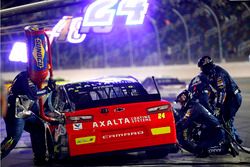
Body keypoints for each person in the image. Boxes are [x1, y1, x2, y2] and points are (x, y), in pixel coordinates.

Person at [0, 70, 55, 165]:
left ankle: (40, 158)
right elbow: (33, 94)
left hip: (23, 110)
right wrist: (47, 89)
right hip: (15, 112)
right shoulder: (24, 77)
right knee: (12, 139)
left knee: (38, 127)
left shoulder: (33, 79)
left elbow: (32, 102)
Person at [197, 56, 242, 144]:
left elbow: (222, 92)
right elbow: (214, 91)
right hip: (229, 98)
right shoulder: (211, 73)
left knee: (226, 118)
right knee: (224, 117)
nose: (201, 70)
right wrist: (210, 101)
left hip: (233, 98)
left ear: (208, 66)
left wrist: (217, 107)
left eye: (202, 68)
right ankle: (236, 138)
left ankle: (231, 142)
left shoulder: (218, 74)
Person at [175, 90, 228, 157]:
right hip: (208, 130)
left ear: (186, 98)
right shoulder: (193, 105)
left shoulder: (193, 107)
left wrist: (174, 128)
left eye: (181, 102)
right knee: (197, 147)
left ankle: (225, 147)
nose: (181, 104)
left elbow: (184, 122)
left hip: (216, 132)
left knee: (200, 151)